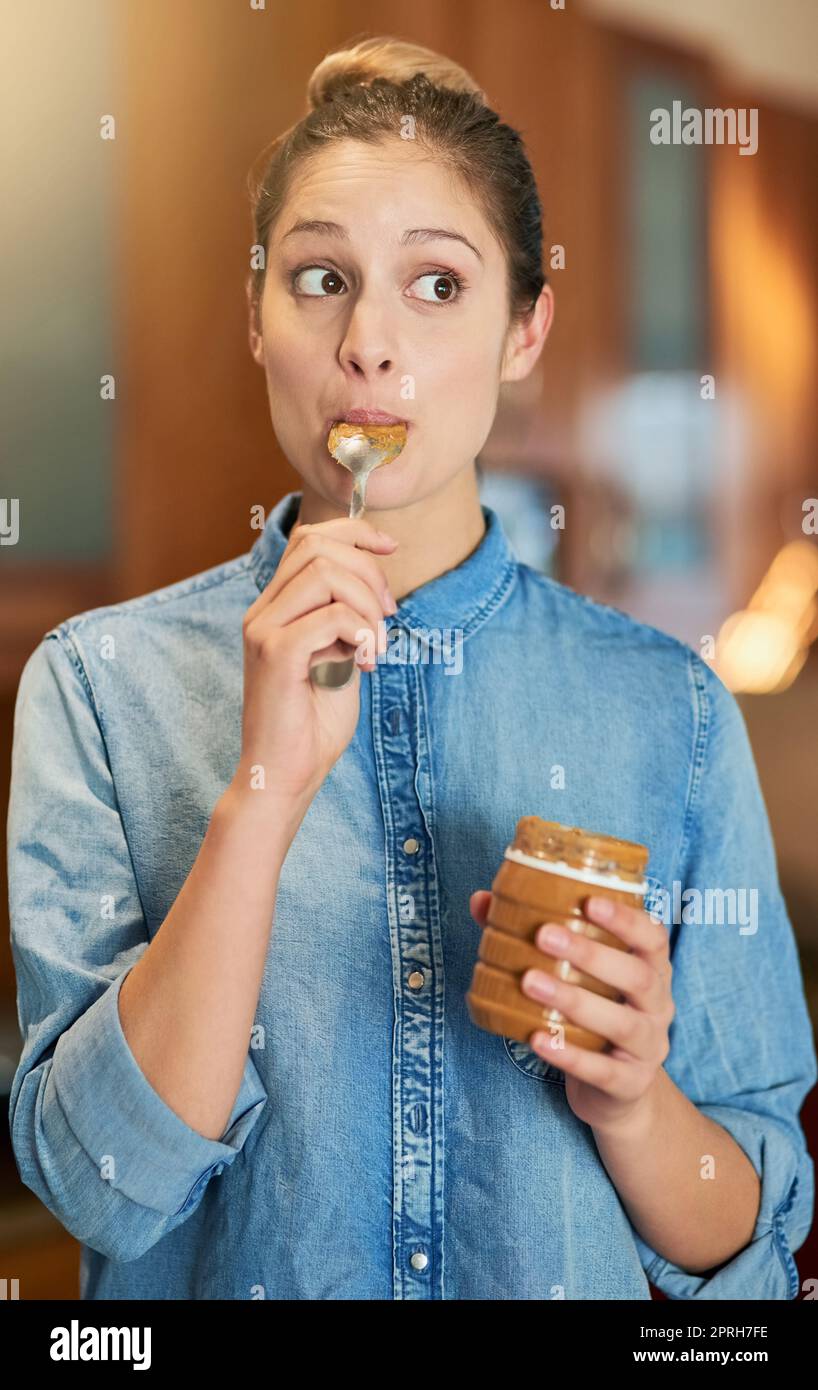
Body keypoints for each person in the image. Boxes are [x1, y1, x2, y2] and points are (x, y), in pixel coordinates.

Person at [7, 36, 816, 1301]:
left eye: (437, 285)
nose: (370, 344)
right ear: (257, 318)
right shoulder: (99, 685)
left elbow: (745, 1253)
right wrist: (263, 788)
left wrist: (632, 1097)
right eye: (320, 277)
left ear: (523, 330)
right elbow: (95, 1182)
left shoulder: (672, 706)